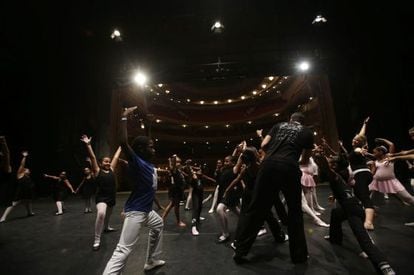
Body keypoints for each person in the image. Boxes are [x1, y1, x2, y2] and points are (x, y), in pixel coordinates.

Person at [233, 112, 313, 264]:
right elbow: (305, 159)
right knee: (295, 212)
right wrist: (294, 159)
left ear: (290, 119)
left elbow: (263, 145)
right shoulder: (307, 132)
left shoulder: (278, 125)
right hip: (290, 166)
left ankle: (241, 251)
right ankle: (299, 256)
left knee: (256, 208)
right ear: (302, 122)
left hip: (268, 165)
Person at [313, 147, 396, 275]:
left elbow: (325, 168)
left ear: (334, 165)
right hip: (351, 205)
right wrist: (335, 196)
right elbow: (343, 188)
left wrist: (319, 157)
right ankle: (335, 238)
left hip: (351, 209)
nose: (329, 162)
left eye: (331, 162)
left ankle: (383, 265)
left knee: (363, 239)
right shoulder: (342, 174)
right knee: (335, 214)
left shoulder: (335, 174)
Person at [103, 106, 165, 273]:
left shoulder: (147, 164)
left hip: (146, 210)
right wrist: (123, 117)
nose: (154, 148)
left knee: (158, 224)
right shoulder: (137, 161)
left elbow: (150, 188)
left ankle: (150, 261)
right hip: (137, 211)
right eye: (150, 146)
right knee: (123, 250)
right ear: (141, 149)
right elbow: (123, 142)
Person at [80, 135, 122, 250]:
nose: (108, 163)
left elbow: (116, 157)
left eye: (109, 162)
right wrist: (88, 145)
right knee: (101, 214)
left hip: (111, 196)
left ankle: (107, 227)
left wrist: (121, 146)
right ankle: (97, 239)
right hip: (102, 197)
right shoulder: (98, 171)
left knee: (108, 216)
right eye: (106, 162)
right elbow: (93, 157)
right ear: (101, 163)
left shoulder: (112, 169)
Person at [348, 117, 376, 230]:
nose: (354, 141)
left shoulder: (357, 149)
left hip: (361, 174)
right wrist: (364, 124)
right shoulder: (357, 145)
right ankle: (370, 211)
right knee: (358, 194)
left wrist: (362, 150)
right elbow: (361, 135)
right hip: (364, 174)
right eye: (354, 139)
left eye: (357, 141)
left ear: (361, 143)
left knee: (364, 197)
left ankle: (369, 223)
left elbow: (358, 150)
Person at [0, 150, 35, 222]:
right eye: (26, 169)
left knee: (28, 202)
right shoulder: (20, 174)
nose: (28, 170)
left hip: (27, 192)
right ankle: (3, 217)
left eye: (28, 170)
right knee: (13, 204)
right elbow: (22, 165)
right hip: (20, 193)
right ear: (23, 171)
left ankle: (29, 212)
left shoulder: (28, 177)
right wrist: (24, 157)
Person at [161, 154, 186, 227]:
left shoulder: (178, 170)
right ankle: (178, 222)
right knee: (176, 206)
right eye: (177, 162)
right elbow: (173, 166)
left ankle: (162, 219)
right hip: (175, 191)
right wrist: (174, 158)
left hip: (177, 190)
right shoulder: (174, 169)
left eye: (179, 162)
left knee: (171, 205)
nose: (179, 163)